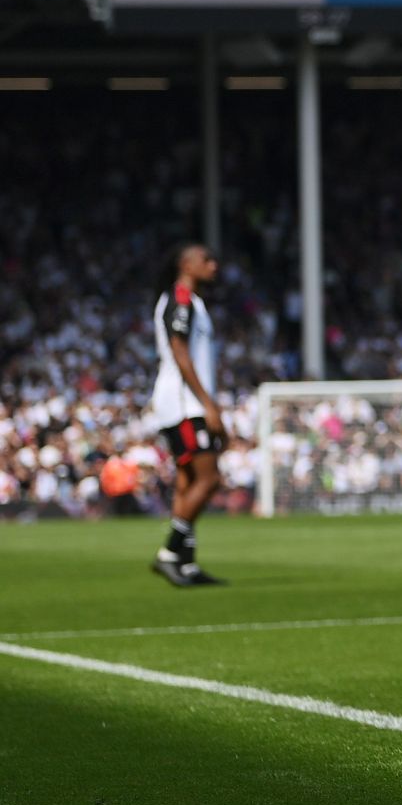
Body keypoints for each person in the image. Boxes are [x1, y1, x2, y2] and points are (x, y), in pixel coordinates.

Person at [150, 243, 227, 586]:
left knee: (189, 482)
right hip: (184, 405)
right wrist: (207, 404)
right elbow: (179, 351)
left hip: (182, 403)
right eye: (206, 260)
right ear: (186, 264)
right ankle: (169, 553)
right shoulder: (180, 298)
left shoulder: (192, 302)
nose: (213, 265)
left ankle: (186, 563)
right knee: (209, 479)